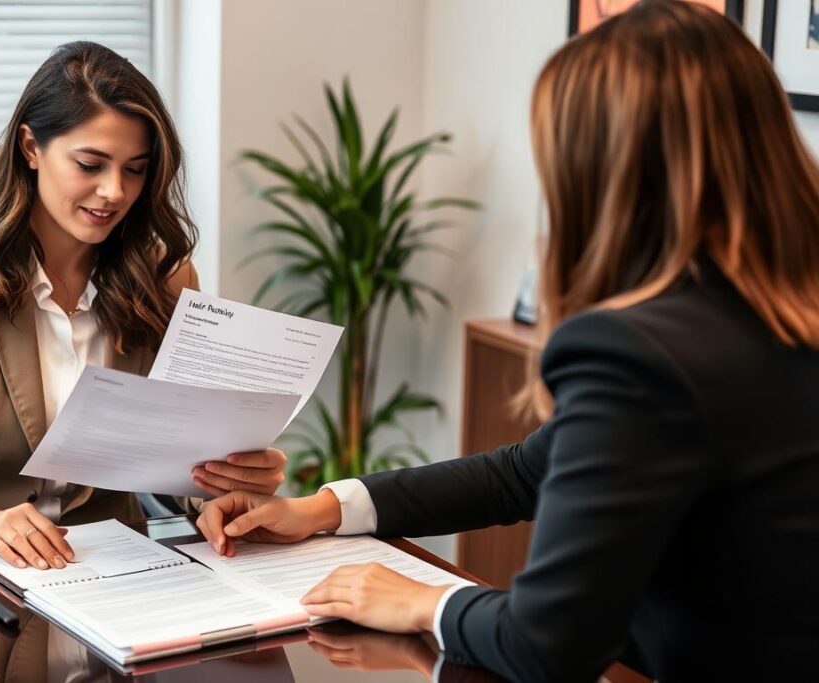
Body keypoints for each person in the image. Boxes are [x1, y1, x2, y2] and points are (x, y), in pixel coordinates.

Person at [196, 2, 819, 680]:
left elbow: (548, 642)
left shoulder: (641, 353)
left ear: (603, 174)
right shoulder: (777, 313)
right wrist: (321, 508)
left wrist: (422, 601)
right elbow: (527, 471)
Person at [0, 42, 285, 573]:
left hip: (112, 572)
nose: (114, 191)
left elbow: (177, 460)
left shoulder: (165, 278)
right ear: (31, 147)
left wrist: (222, 485)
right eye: (90, 164)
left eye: (135, 170)